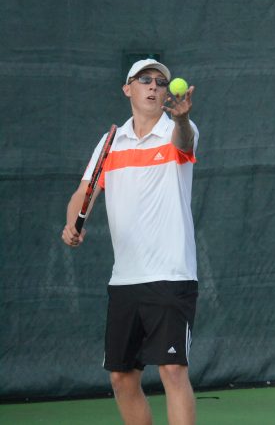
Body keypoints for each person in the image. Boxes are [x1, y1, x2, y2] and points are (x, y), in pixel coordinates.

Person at [62, 58, 199, 425]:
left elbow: (185, 142)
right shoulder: (110, 142)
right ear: (128, 89)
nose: (154, 86)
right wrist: (71, 224)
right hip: (124, 280)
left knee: (172, 370)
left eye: (160, 81)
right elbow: (84, 193)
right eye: (144, 80)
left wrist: (183, 119)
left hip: (172, 275)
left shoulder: (178, 131)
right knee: (122, 378)